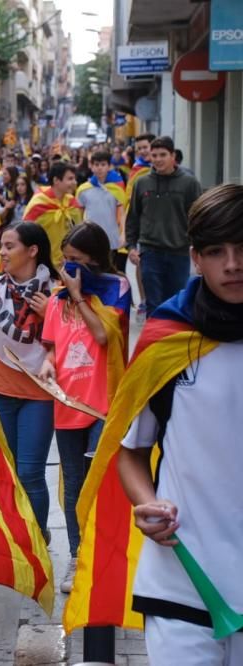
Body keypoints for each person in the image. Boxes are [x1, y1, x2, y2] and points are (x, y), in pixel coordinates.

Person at [70, 183, 243, 664]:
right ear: (195, 258)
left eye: (242, 248)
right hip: (181, 582)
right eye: (216, 251)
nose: (233, 263)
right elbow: (130, 450)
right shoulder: (168, 340)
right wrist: (146, 504)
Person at [37, 222, 131, 593]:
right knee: (73, 484)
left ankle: (103, 553)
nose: (67, 266)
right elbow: (52, 344)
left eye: (75, 260)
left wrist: (78, 295)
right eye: (65, 259)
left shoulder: (116, 288)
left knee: (100, 481)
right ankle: (77, 557)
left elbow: (104, 335)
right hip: (67, 404)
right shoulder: (57, 296)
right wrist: (47, 361)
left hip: (103, 404)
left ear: (94, 258)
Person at [0, 222, 58, 537]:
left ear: (32, 250)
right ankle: (17, 538)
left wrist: (53, 316)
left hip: (40, 393)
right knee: (7, 472)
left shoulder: (55, 291)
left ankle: (37, 537)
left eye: (9, 246)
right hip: (0, 390)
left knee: (30, 473)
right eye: (1, 246)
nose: (2, 253)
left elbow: (73, 343)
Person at [125, 136, 203, 315]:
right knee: (153, 304)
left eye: (163, 154)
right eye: (154, 155)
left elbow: (199, 217)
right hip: (150, 252)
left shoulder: (189, 183)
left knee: (177, 303)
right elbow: (133, 217)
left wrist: (200, 248)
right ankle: (155, 342)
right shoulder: (142, 182)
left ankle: (173, 341)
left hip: (179, 252)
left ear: (173, 156)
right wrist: (131, 246)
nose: (158, 159)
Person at [23, 162, 83, 269]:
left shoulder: (72, 203)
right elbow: (26, 236)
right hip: (43, 265)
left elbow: (79, 233)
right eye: (70, 179)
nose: (75, 182)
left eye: (74, 178)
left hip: (67, 264)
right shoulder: (38, 204)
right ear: (56, 180)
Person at [76, 151, 128, 272]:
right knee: (92, 272)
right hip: (90, 238)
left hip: (112, 238)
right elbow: (78, 215)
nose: (100, 168)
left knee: (111, 272)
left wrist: (123, 234)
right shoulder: (83, 189)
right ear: (91, 166)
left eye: (103, 164)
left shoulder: (117, 189)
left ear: (109, 166)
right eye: (97, 164)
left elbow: (122, 214)